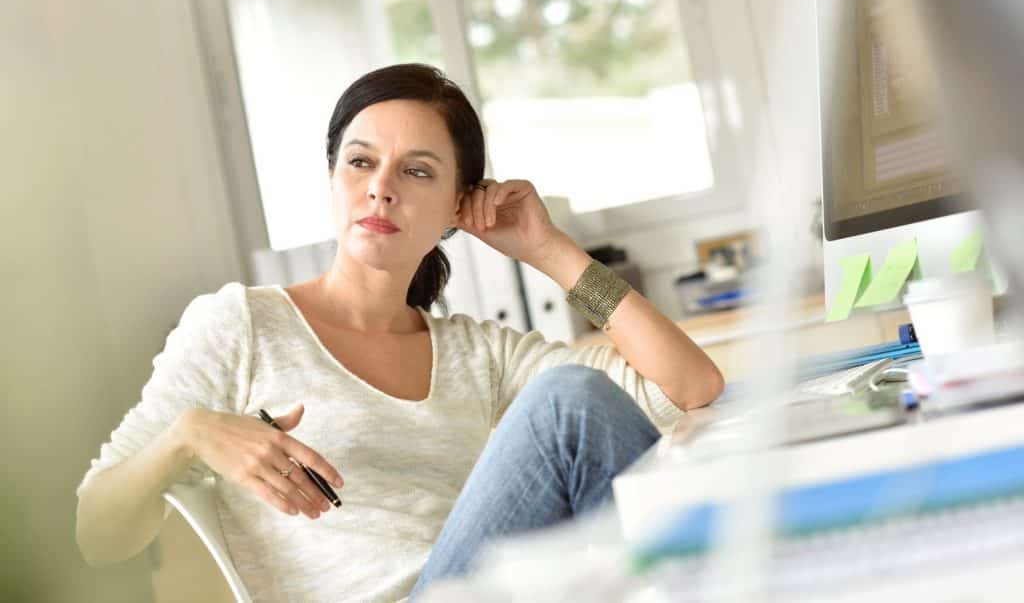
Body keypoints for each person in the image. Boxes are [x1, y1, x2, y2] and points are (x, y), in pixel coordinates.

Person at [75, 63, 724, 602]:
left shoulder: (477, 354)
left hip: (483, 589)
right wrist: (191, 433)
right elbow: (95, 532)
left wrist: (550, 250)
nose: (380, 188)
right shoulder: (242, 323)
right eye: (360, 162)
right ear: (333, 177)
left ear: (457, 207)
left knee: (599, 412)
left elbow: (690, 387)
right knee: (569, 405)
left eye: (416, 171)